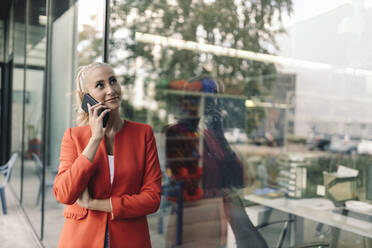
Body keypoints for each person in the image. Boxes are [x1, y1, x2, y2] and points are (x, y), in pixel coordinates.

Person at [53, 62, 162, 248]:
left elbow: (152, 199)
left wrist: (94, 203)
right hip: (81, 239)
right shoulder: (74, 137)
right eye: (100, 85)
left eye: (113, 81)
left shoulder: (143, 134)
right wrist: (95, 139)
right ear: (86, 97)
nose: (111, 90)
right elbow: (64, 194)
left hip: (130, 238)